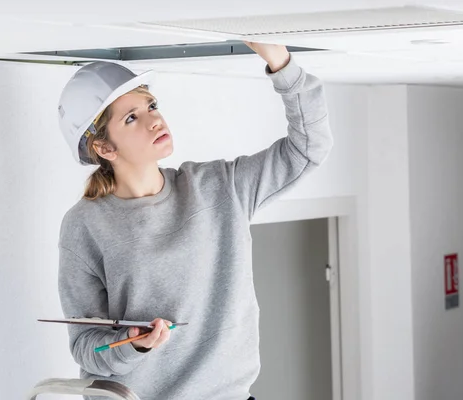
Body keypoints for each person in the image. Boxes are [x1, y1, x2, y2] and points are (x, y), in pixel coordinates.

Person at [56, 41, 333, 400]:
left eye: (150, 105)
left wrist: (280, 63)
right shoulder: (85, 225)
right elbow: (86, 347)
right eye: (131, 117)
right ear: (105, 149)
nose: (155, 119)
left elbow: (308, 149)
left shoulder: (219, 187)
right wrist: (131, 345)